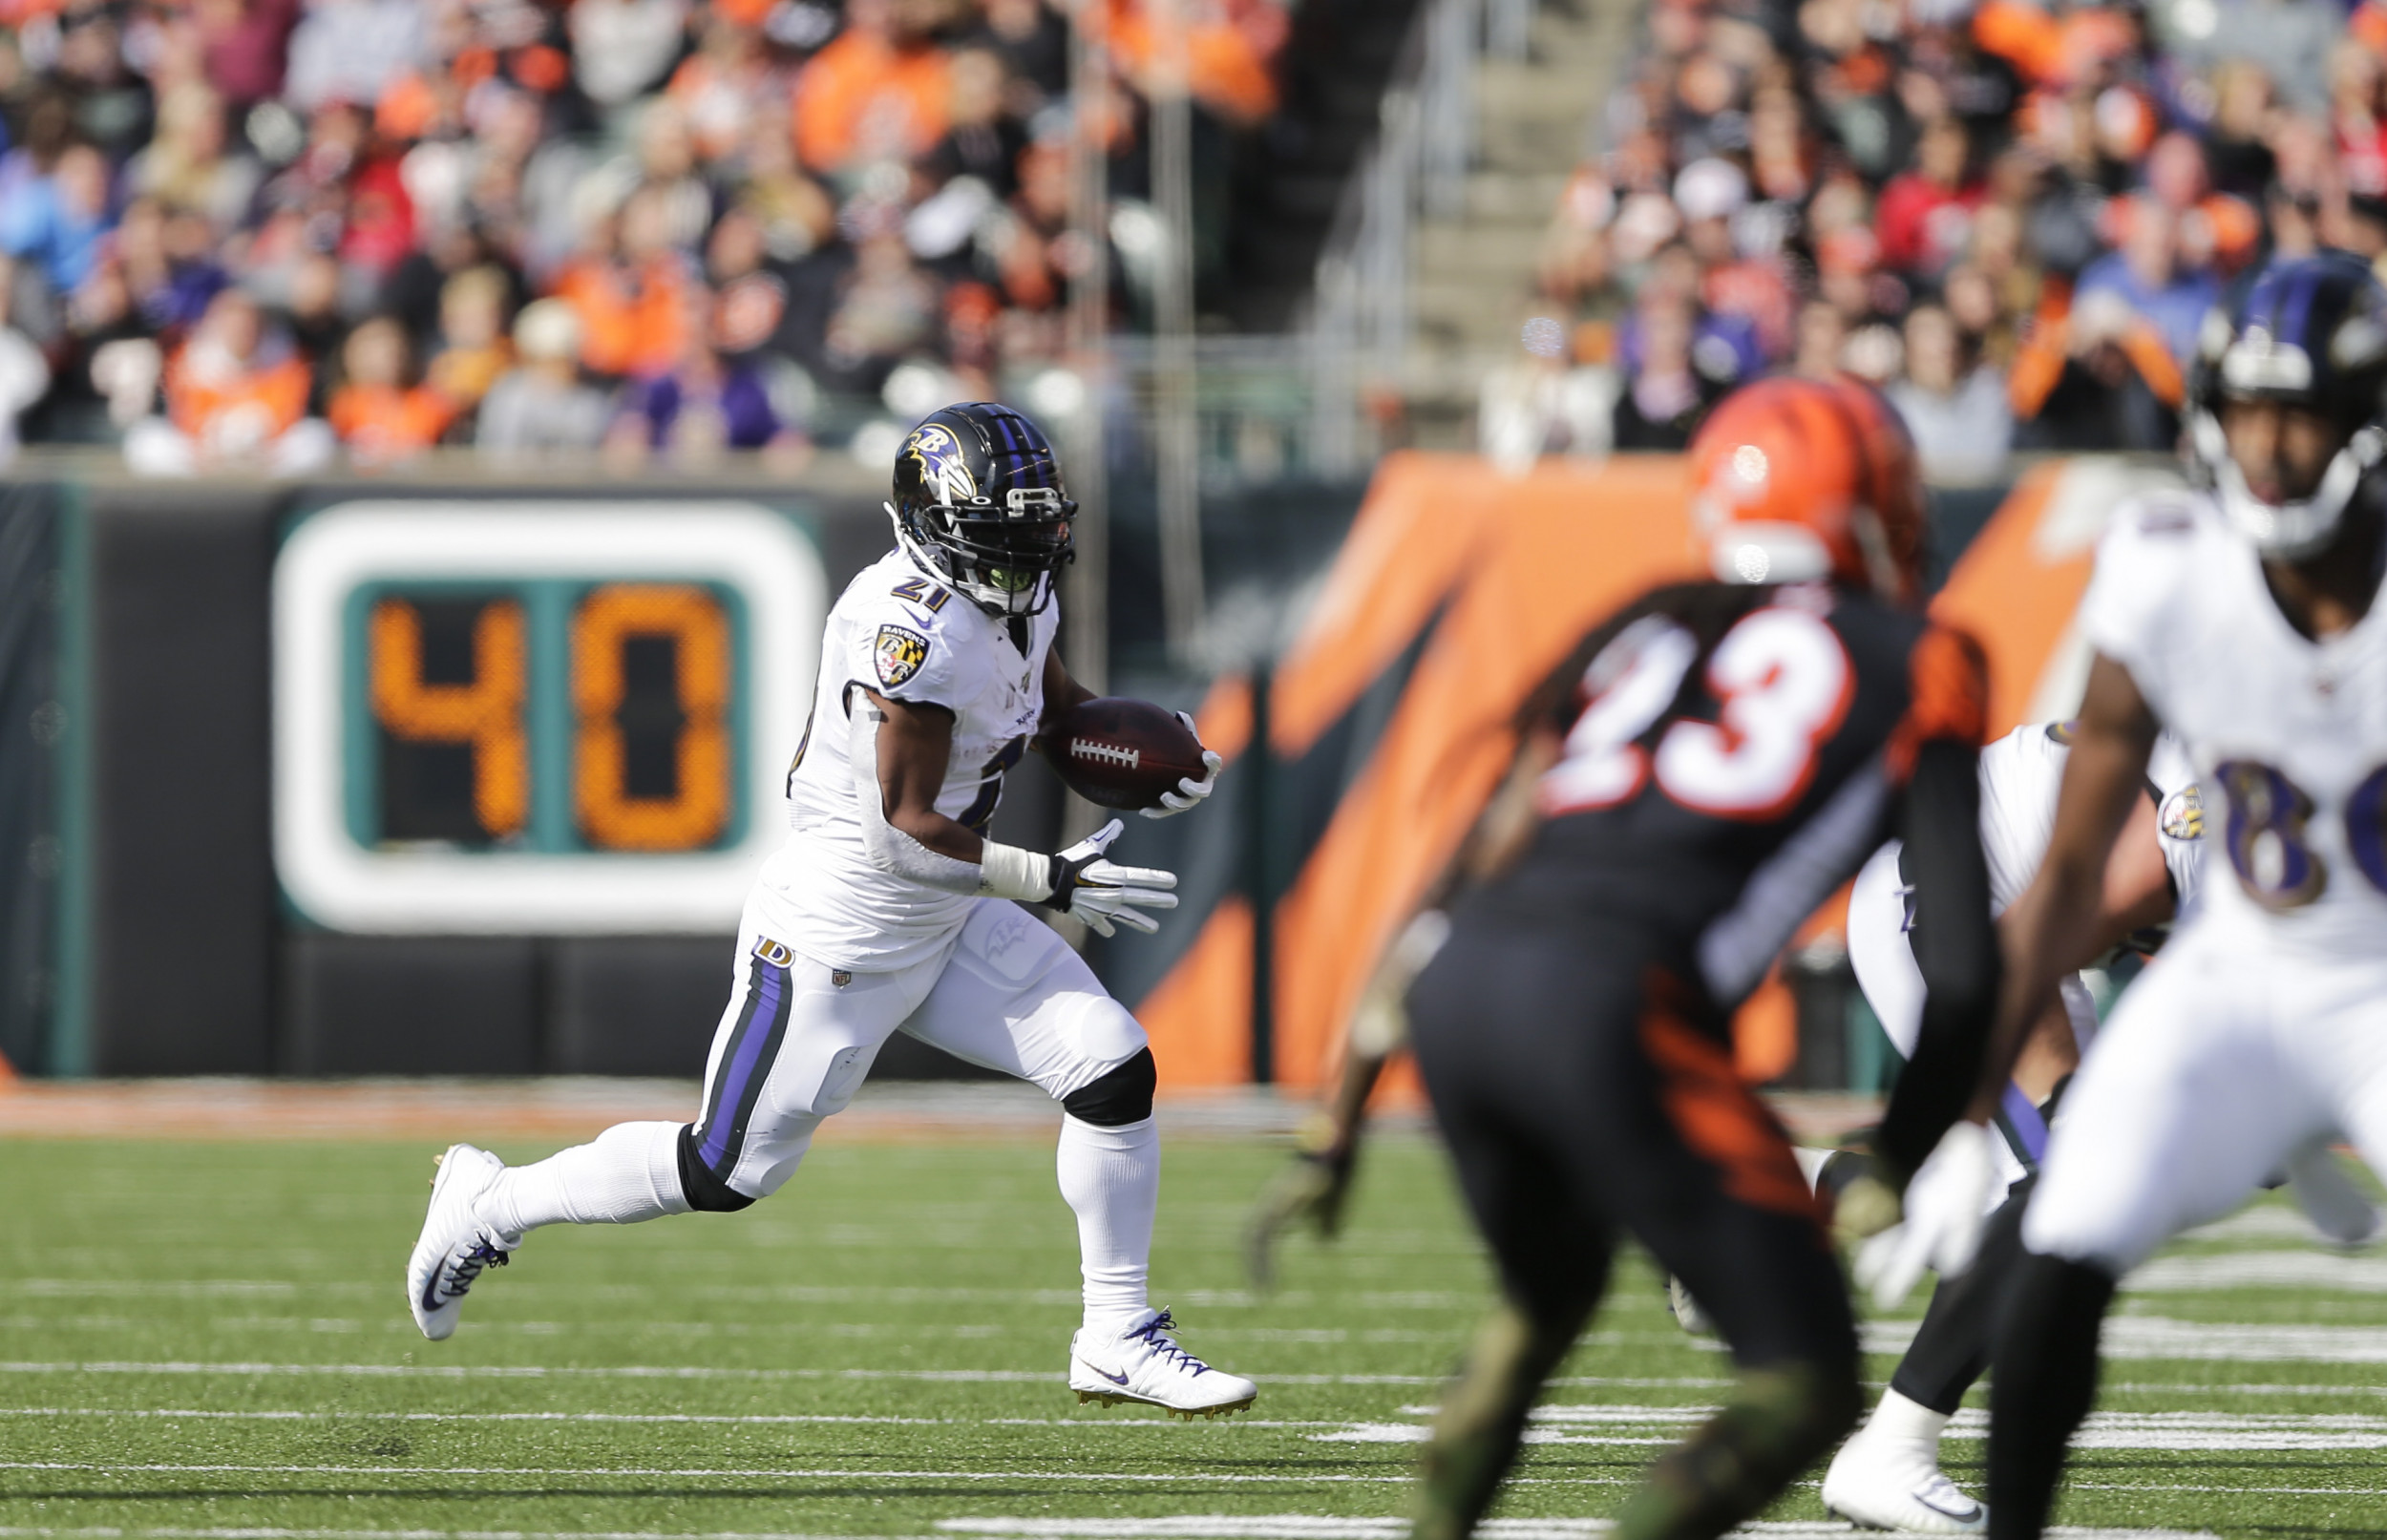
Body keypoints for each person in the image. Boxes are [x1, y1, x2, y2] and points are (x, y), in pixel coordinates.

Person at [407, 402, 1258, 1421]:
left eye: (1034, 535)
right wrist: (1050, 877)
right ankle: (489, 1201)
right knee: (722, 1168)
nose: (1021, 561)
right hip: (842, 927)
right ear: (932, 527)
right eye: (998, 540)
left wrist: (1151, 754)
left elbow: (1051, 708)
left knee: (1111, 1065)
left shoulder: (1015, 598)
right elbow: (900, 830)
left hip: (942, 917)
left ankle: (1115, 1333)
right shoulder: (906, 631)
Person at [1402, 375, 2002, 1540]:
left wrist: (1339, 1108)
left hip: (1458, 981)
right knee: (1807, 1375)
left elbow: (1481, 838)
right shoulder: (1920, 652)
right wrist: (1898, 1149)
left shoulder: (1650, 620)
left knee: (1547, 1298)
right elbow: (1968, 969)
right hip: (1612, 1003)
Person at [1912, 250, 2387, 1540]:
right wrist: (1965, 1112)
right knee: (2066, 1236)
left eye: (2301, 414)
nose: (2271, 449)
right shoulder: (2171, 565)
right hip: (2231, 980)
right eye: (2246, 413)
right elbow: (2069, 877)